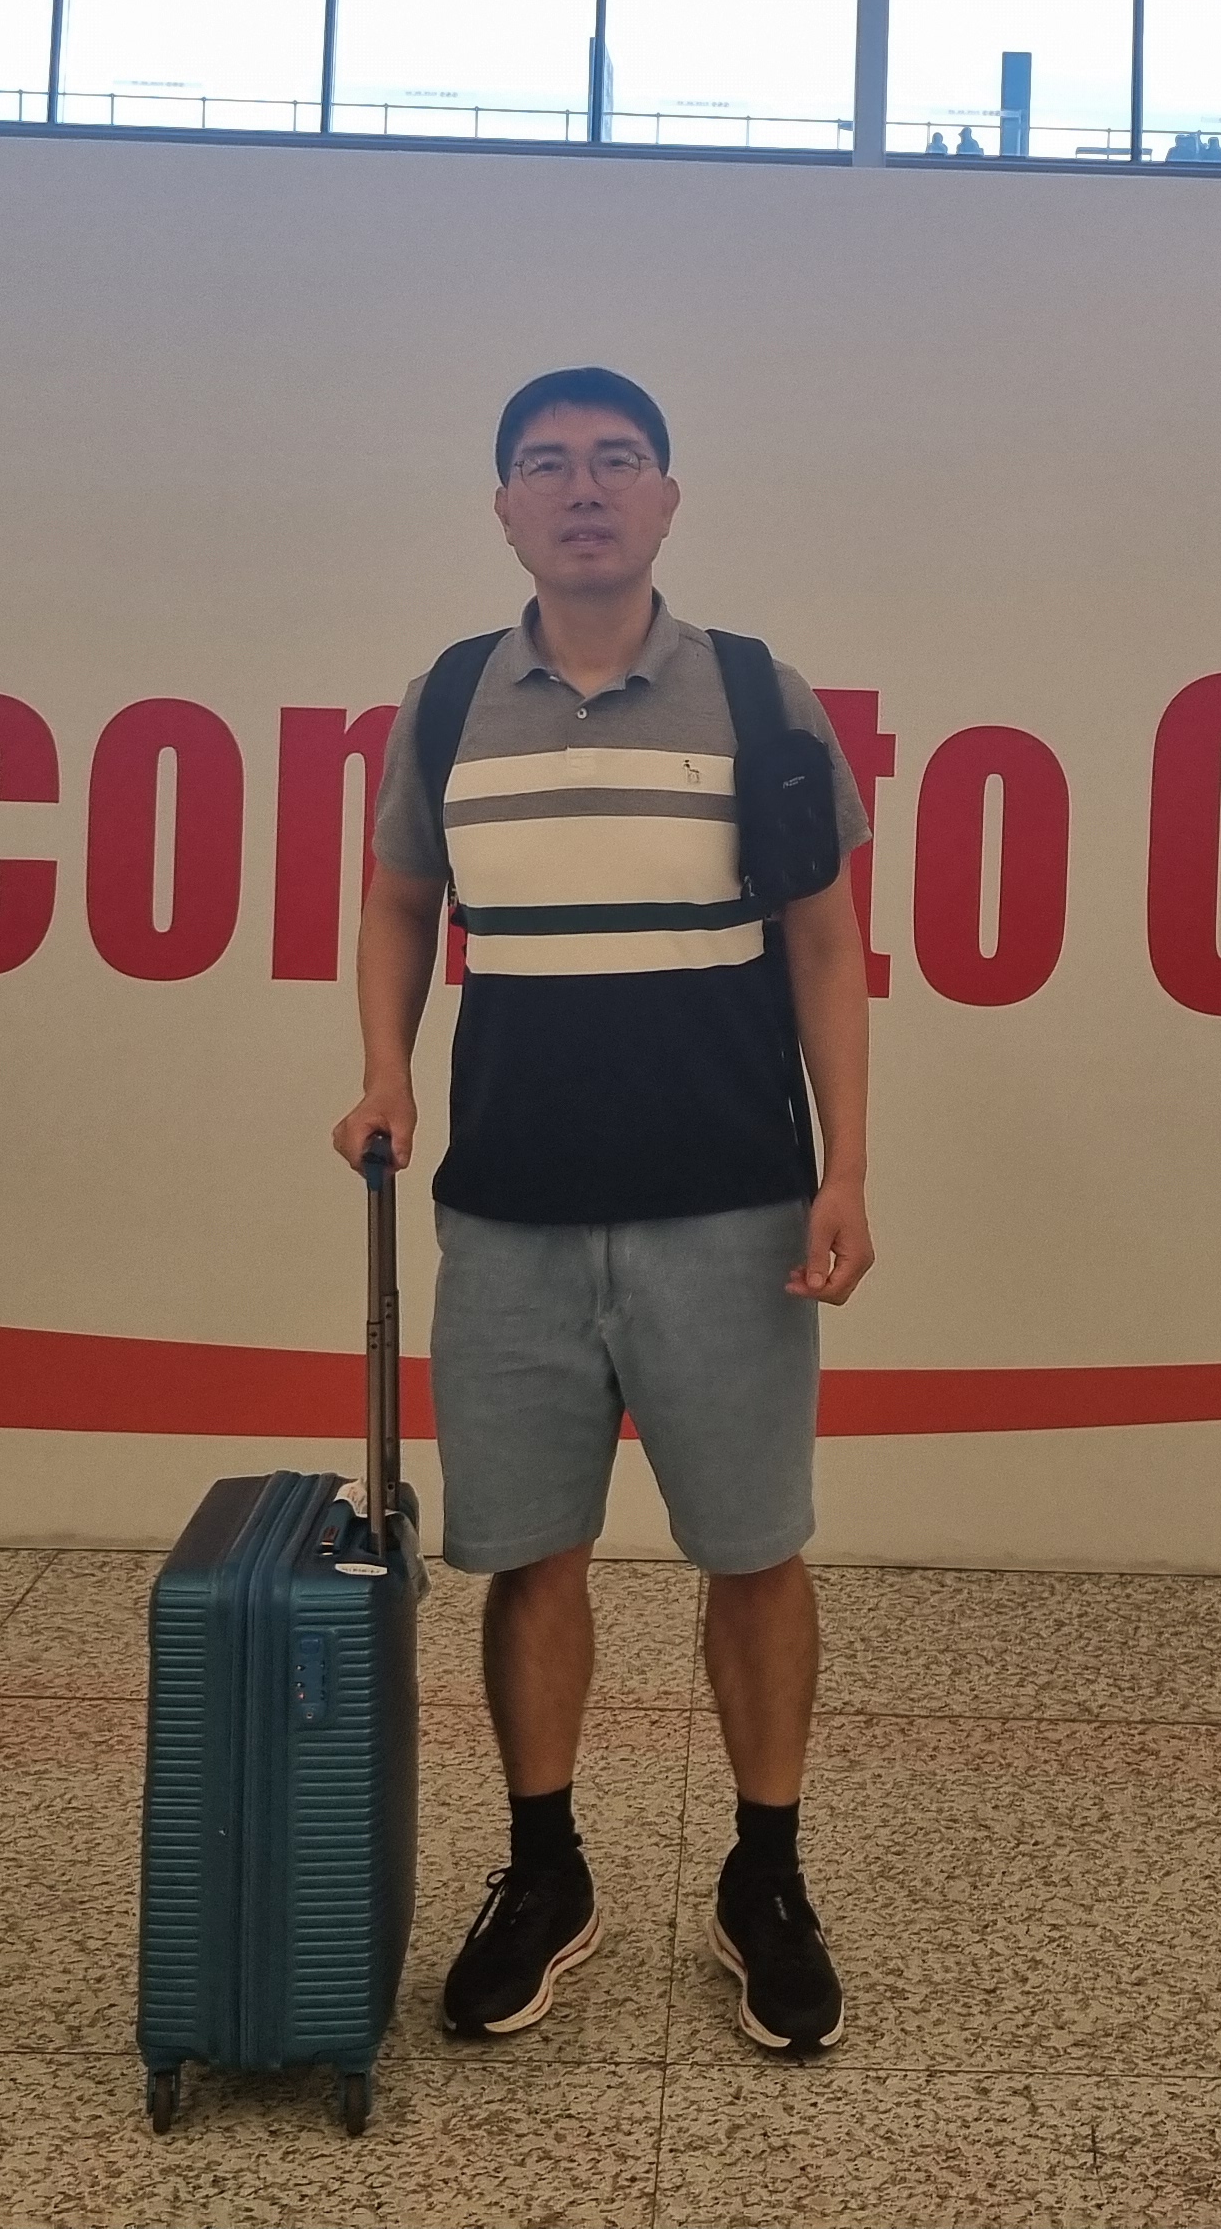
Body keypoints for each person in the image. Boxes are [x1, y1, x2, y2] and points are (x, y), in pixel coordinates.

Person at [331, 366, 877, 2059]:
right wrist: (386, 1074)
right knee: (530, 1555)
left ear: (667, 497)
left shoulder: (761, 695)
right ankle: (545, 1870)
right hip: (511, 1213)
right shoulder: (446, 701)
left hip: (732, 1208)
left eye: (617, 460)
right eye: (549, 464)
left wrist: (847, 1166)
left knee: (755, 1553)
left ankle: (764, 1880)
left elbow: (825, 942)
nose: (585, 488)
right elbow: (398, 903)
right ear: (504, 506)